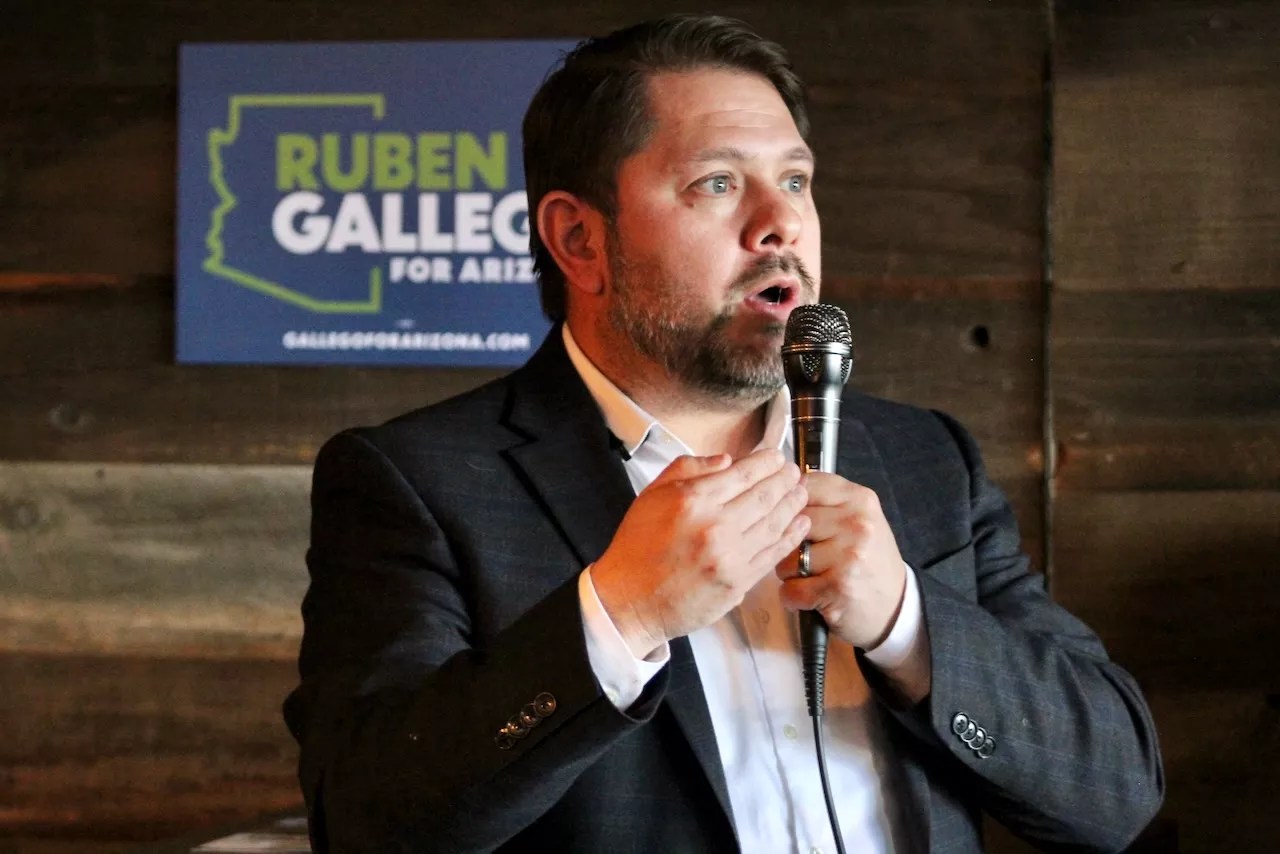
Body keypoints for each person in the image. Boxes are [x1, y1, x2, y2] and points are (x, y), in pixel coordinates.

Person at [284, 14, 1163, 853]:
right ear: (579, 239)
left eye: (794, 180)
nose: (779, 223)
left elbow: (1119, 794)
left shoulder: (926, 459)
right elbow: (367, 822)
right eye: (716, 183)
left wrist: (906, 621)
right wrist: (620, 617)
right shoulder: (418, 483)